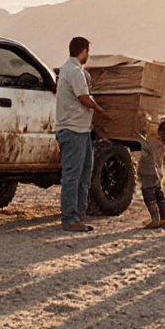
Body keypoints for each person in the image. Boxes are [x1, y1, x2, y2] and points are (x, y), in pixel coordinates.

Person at [55, 36, 111, 232]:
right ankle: (70, 218)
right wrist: (101, 111)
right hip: (73, 130)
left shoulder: (67, 70)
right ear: (84, 51)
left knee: (84, 173)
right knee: (73, 174)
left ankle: (78, 214)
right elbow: (83, 97)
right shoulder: (75, 71)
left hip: (81, 130)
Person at [136, 117, 165, 229]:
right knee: (159, 194)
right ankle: (164, 219)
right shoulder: (164, 144)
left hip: (148, 172)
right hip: (157, 172)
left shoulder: (154, 143)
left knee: (148, 194)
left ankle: (155, 219)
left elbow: (143, 143)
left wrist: (135, 132)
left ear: (163, 133)